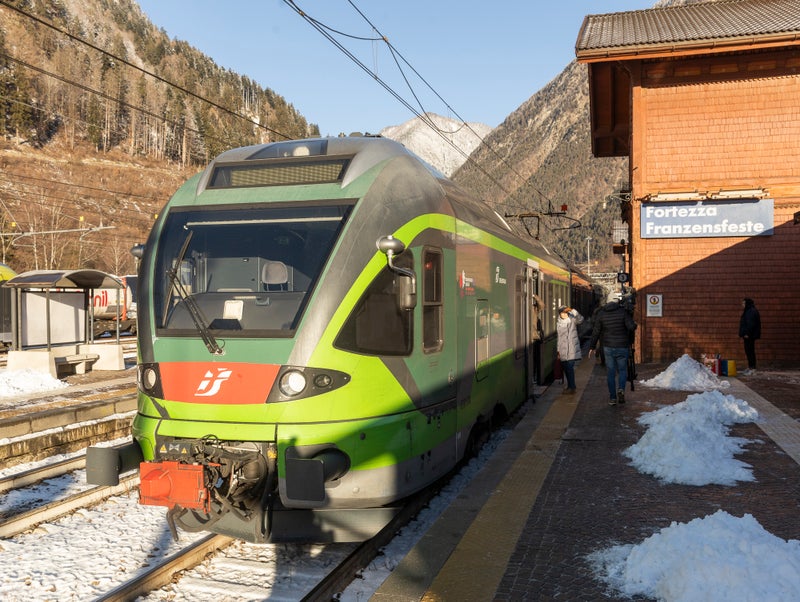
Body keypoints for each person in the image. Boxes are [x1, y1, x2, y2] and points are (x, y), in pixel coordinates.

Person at [588, 290, 637, 405]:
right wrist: (633, 323)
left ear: (607, 301)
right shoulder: (623, 312)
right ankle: (621, 389)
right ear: (617, 302)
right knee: (622, 370)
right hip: (622, 346)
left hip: (608, 347)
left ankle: (613, 398)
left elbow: (596, 331)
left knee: (610, 372)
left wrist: (592, 346)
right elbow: (631, 327)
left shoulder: (601, 313)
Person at [556, 305, 584, 394]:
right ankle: (569, 386)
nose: (564, 314)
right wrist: (558, 350)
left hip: (572, 348)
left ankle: (572, 387)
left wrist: (572, 310)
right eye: (562, 313)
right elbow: (559, 337)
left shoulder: (572, 319)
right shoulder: (559, 322)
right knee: (566, 369)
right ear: (560, 314)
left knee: (569, 368)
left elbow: (581, 319)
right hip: (563, 349)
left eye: (565, 313)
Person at [739, 297, 761, 375]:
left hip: (749, 335)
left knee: (750, 351)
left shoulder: (750, 311)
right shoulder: (749, 311)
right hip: (749, 335)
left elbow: (750, 324)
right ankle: (750, 367)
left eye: (743, 303)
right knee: (748, 351)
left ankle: (752, 368)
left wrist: (747, 333)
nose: (742, 305)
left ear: (747, 304)